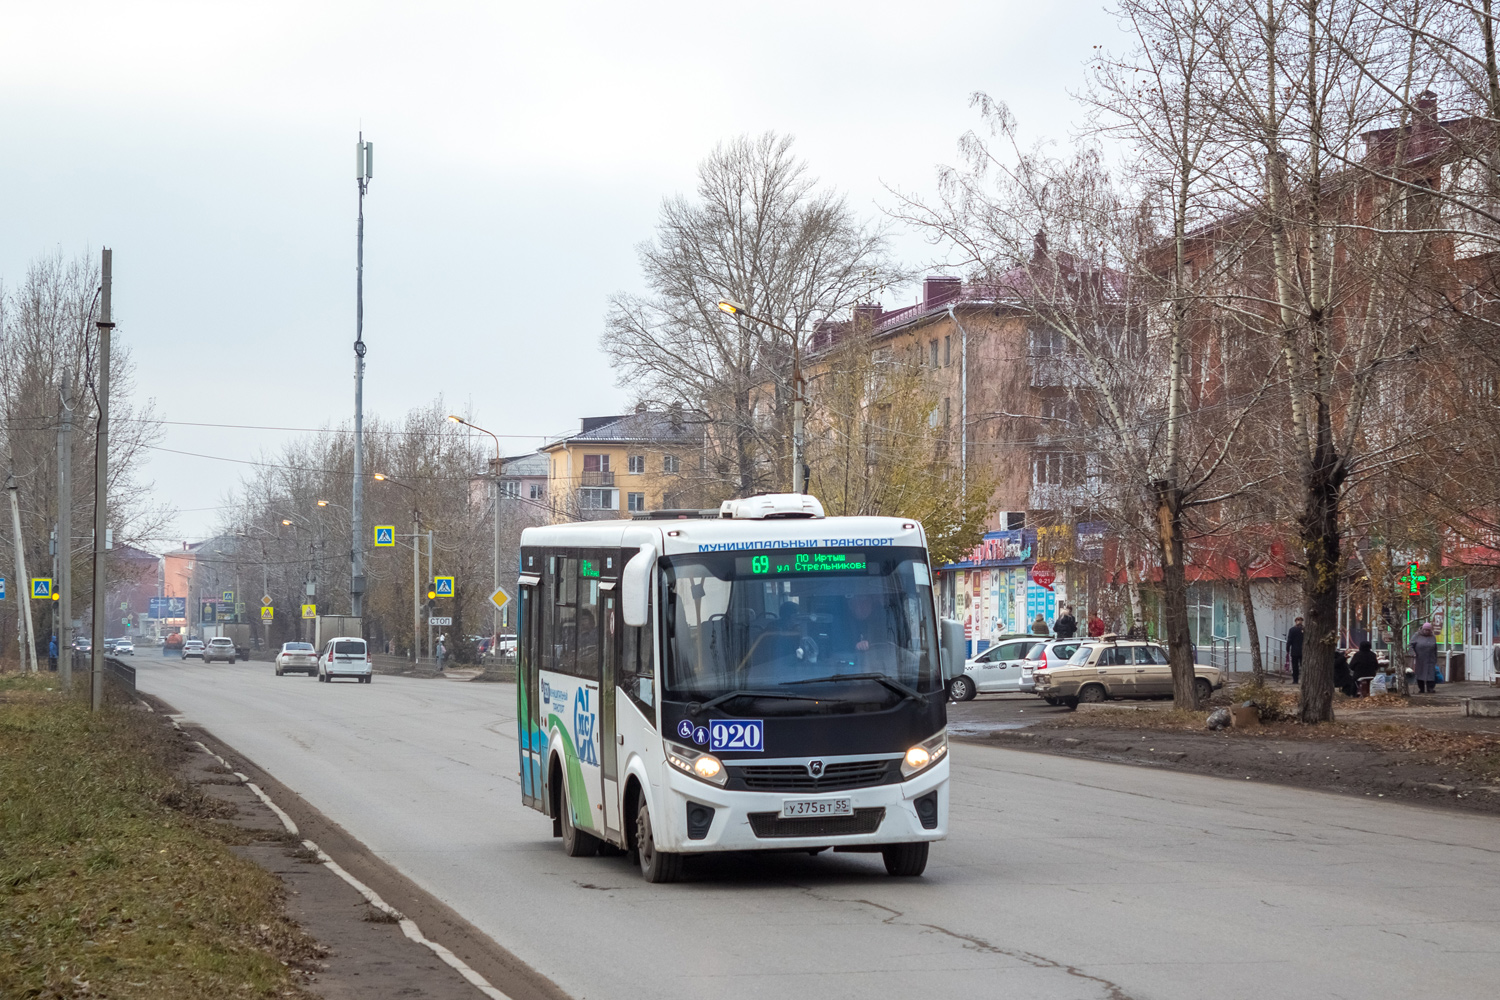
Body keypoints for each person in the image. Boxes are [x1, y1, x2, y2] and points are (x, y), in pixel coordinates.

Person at [1411, 622, 1439, 694]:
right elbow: (1411, 645)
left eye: (1428, 630)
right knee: (1420, 674)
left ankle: (1430, 688)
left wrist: (1435, 658)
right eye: (1425, 630)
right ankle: (1421, 689)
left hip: (1430, 658)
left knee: (1431, 674)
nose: (1427, 631)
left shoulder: (1432, 637)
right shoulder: (1417, 635)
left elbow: (1435, 648)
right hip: (1420, 658)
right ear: (1422, 629)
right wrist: (1413, 653)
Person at [1287, 617, 1305, 682]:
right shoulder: (1305, 630)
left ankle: (1295, 680)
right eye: (1299, 620)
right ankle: (1303, 679)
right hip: (1303, 651)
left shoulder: (1292, 630)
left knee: (1295, 666)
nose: (1299, 621)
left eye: (1300, 620)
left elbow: (1289, 640)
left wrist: (1288, 649)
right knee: (1303, 666)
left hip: (1295, 650)